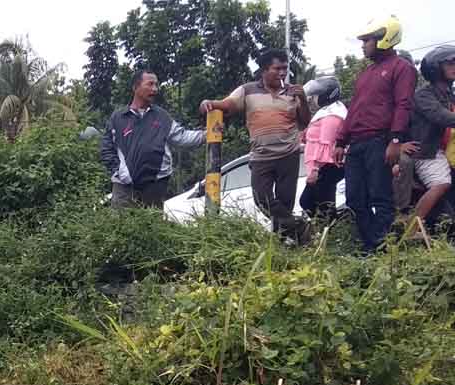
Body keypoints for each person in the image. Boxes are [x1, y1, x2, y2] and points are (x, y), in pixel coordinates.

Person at [200, 49, 312, 242]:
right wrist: (209, 103)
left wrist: (302, 99)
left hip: (289, 154)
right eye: (277, 69)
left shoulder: (293, 92)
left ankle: (284, 245)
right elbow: (227, 105)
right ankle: (300, 227)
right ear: (264, 70)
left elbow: (304, 122)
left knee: (285, 204)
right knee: (262, 199)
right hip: (261, 156)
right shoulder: (248, 90)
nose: (282, 73)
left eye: (285, 68)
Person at [333, 16, 417, 253]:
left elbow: (403, 105)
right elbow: (354, 110)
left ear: (384, 38)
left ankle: (382, 252)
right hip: (357, 144)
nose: (363, 45)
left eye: (367, 40)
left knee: (381, 198)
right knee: (354, 200)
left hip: (380, 141)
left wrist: (395, 140)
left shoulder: (402, 68)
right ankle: (375, 246)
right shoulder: (366, 73)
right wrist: (341, 140)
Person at [100, 69, 205, 208]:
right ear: (136, 87)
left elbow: (182, 137)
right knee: (120, 227)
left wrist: (206, 134)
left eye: (156, 85)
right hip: (124, 188)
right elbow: (106, 149)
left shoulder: (161, 116)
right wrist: (119, 172)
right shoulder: (118, 118)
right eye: (150, 84)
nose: (155, 89)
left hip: (155, 185)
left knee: (152, 227)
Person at [407, 45, 455, 227]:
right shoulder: (423, 95)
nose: (454, 67)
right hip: (427, 152)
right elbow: (441, 116)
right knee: (441, 184)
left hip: (446, 153)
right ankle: (411, 229)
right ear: (435, 67)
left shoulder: (450, 95)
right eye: (450, 63)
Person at [299, 77, 346, 218]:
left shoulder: (333, 115)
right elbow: (312, 139)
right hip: (323, 167)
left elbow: (326, 145)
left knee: (309, 202)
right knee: (323, 204)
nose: (312, 100)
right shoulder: (325, 113)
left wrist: (315, 170)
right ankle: (329, 231)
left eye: (315, 96)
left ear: (326, 96)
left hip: (327, 166)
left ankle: (332, 230)